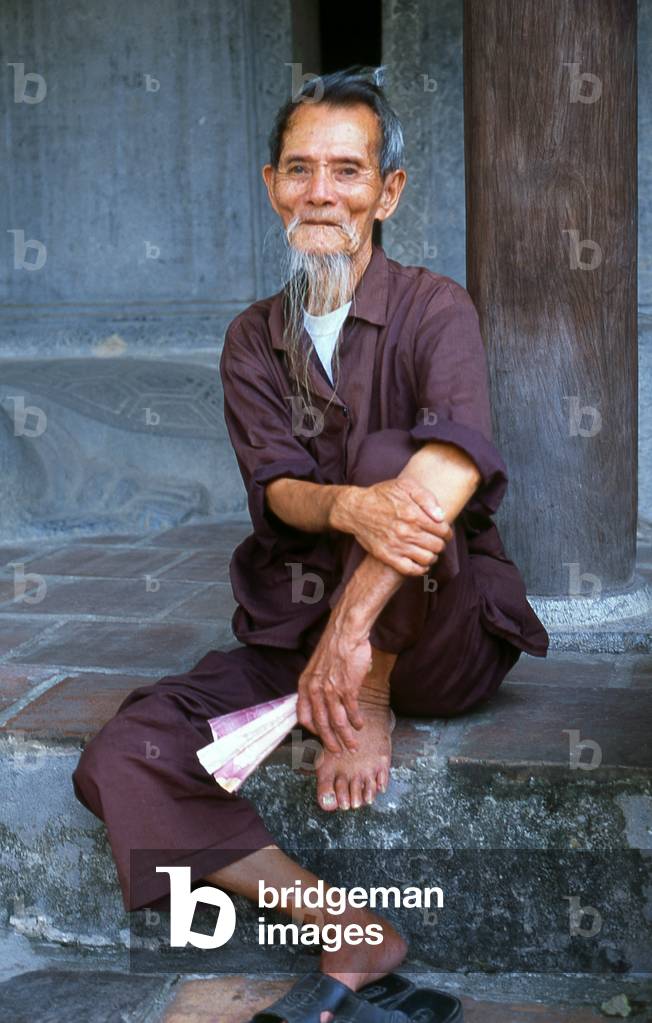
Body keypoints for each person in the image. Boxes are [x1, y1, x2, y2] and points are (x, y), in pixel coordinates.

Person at [72, 65, 548, 1020]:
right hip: (292, 632)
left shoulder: (434, 307)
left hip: (438, 636)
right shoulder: (256, 337)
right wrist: (346, 518)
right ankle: (347, 926)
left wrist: (353, 655)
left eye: (347, 170)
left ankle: (365, 676)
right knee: (125, 752)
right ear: (271, 184)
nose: (321, 193)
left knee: (398, 458)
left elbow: (452, 471)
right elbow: (278, 491)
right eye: (299, 170)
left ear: (388, 190)